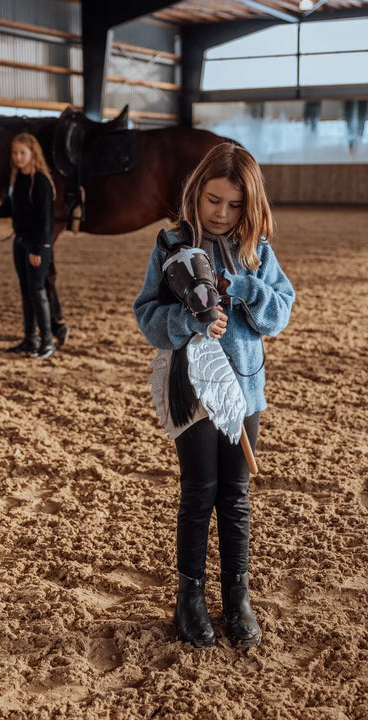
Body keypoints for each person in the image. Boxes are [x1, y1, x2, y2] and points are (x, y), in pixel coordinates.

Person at [133, 143, 295, 648]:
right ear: (195, 194)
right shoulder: (170, 244)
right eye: (212, 200)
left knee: (237, 495)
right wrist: (185, 320)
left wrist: (247, 290)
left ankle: (237, 597)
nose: (222, 214)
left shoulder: (256, 251)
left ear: (251, 205)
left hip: (244, 391)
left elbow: (281, 312)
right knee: (200, 490)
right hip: (193, 390)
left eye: (234, 205)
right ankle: (190, 597)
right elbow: (147, 317)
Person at [0, 133, 58, 360]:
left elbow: (46, 222)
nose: (18, 157)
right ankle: (30, 339)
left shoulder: (40, 182)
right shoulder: (16, 180)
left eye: (22, 153)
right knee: (26, 292)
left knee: (38, 292)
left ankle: (47, 342)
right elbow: (9, 209)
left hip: (37, 246)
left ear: (32, 154)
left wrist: (38, 249)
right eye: (15, 153)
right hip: (19, 244)